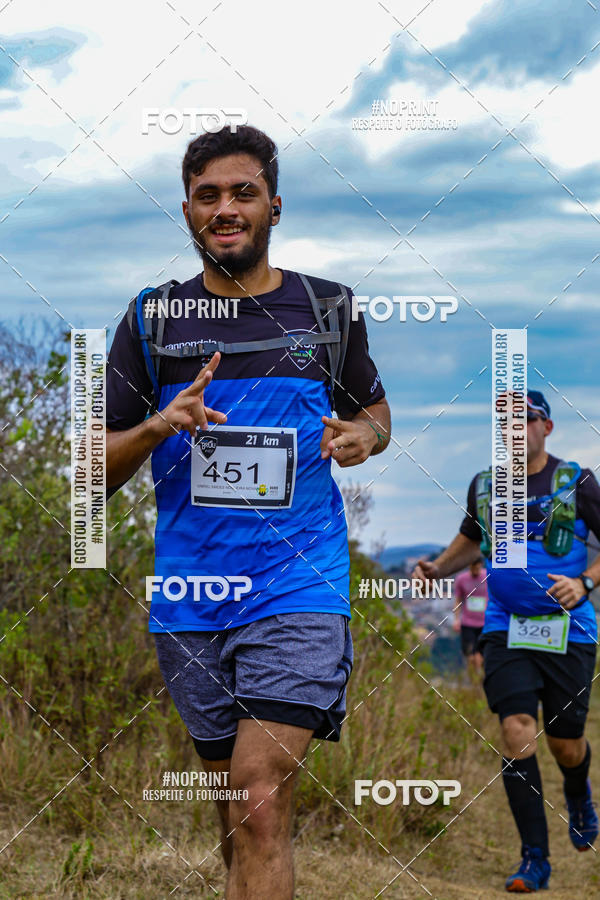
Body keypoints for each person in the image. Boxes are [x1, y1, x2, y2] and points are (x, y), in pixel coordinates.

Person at [105, 124, 391, 899]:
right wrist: (159, 425)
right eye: (208, 195)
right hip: (194, 595)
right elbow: (90, 472)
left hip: (298, 585)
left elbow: (374, 412)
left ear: (273, 206)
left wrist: (365, 435)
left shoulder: (326, 310)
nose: (225, 208)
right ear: (188, 210)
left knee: (258, 798)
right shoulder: (150, 322)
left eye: (243, 193)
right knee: (238, 815)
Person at [413, 389, 599, 892]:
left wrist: (585, 582)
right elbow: (469, 543)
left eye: (526, 419)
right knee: (517, 731)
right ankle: (534, 859)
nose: (514, 429)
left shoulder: (576, 481)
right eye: (506, 422)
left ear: (547, 427)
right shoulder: (487, 485)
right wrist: (435, 565)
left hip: (569, 630)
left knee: (565, 744)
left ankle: (579, 793)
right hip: (506, 627)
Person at [453, 556, 488, 674]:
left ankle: (482, 681)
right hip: (468, 622)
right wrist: (456, 619)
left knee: (480, 657)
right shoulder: (461, 579)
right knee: (470, 656)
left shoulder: (488, 576)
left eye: (478, 568)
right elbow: (458, 599)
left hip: (485, 622)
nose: (475, 571)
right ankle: (473, 681)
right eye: (473, 568)